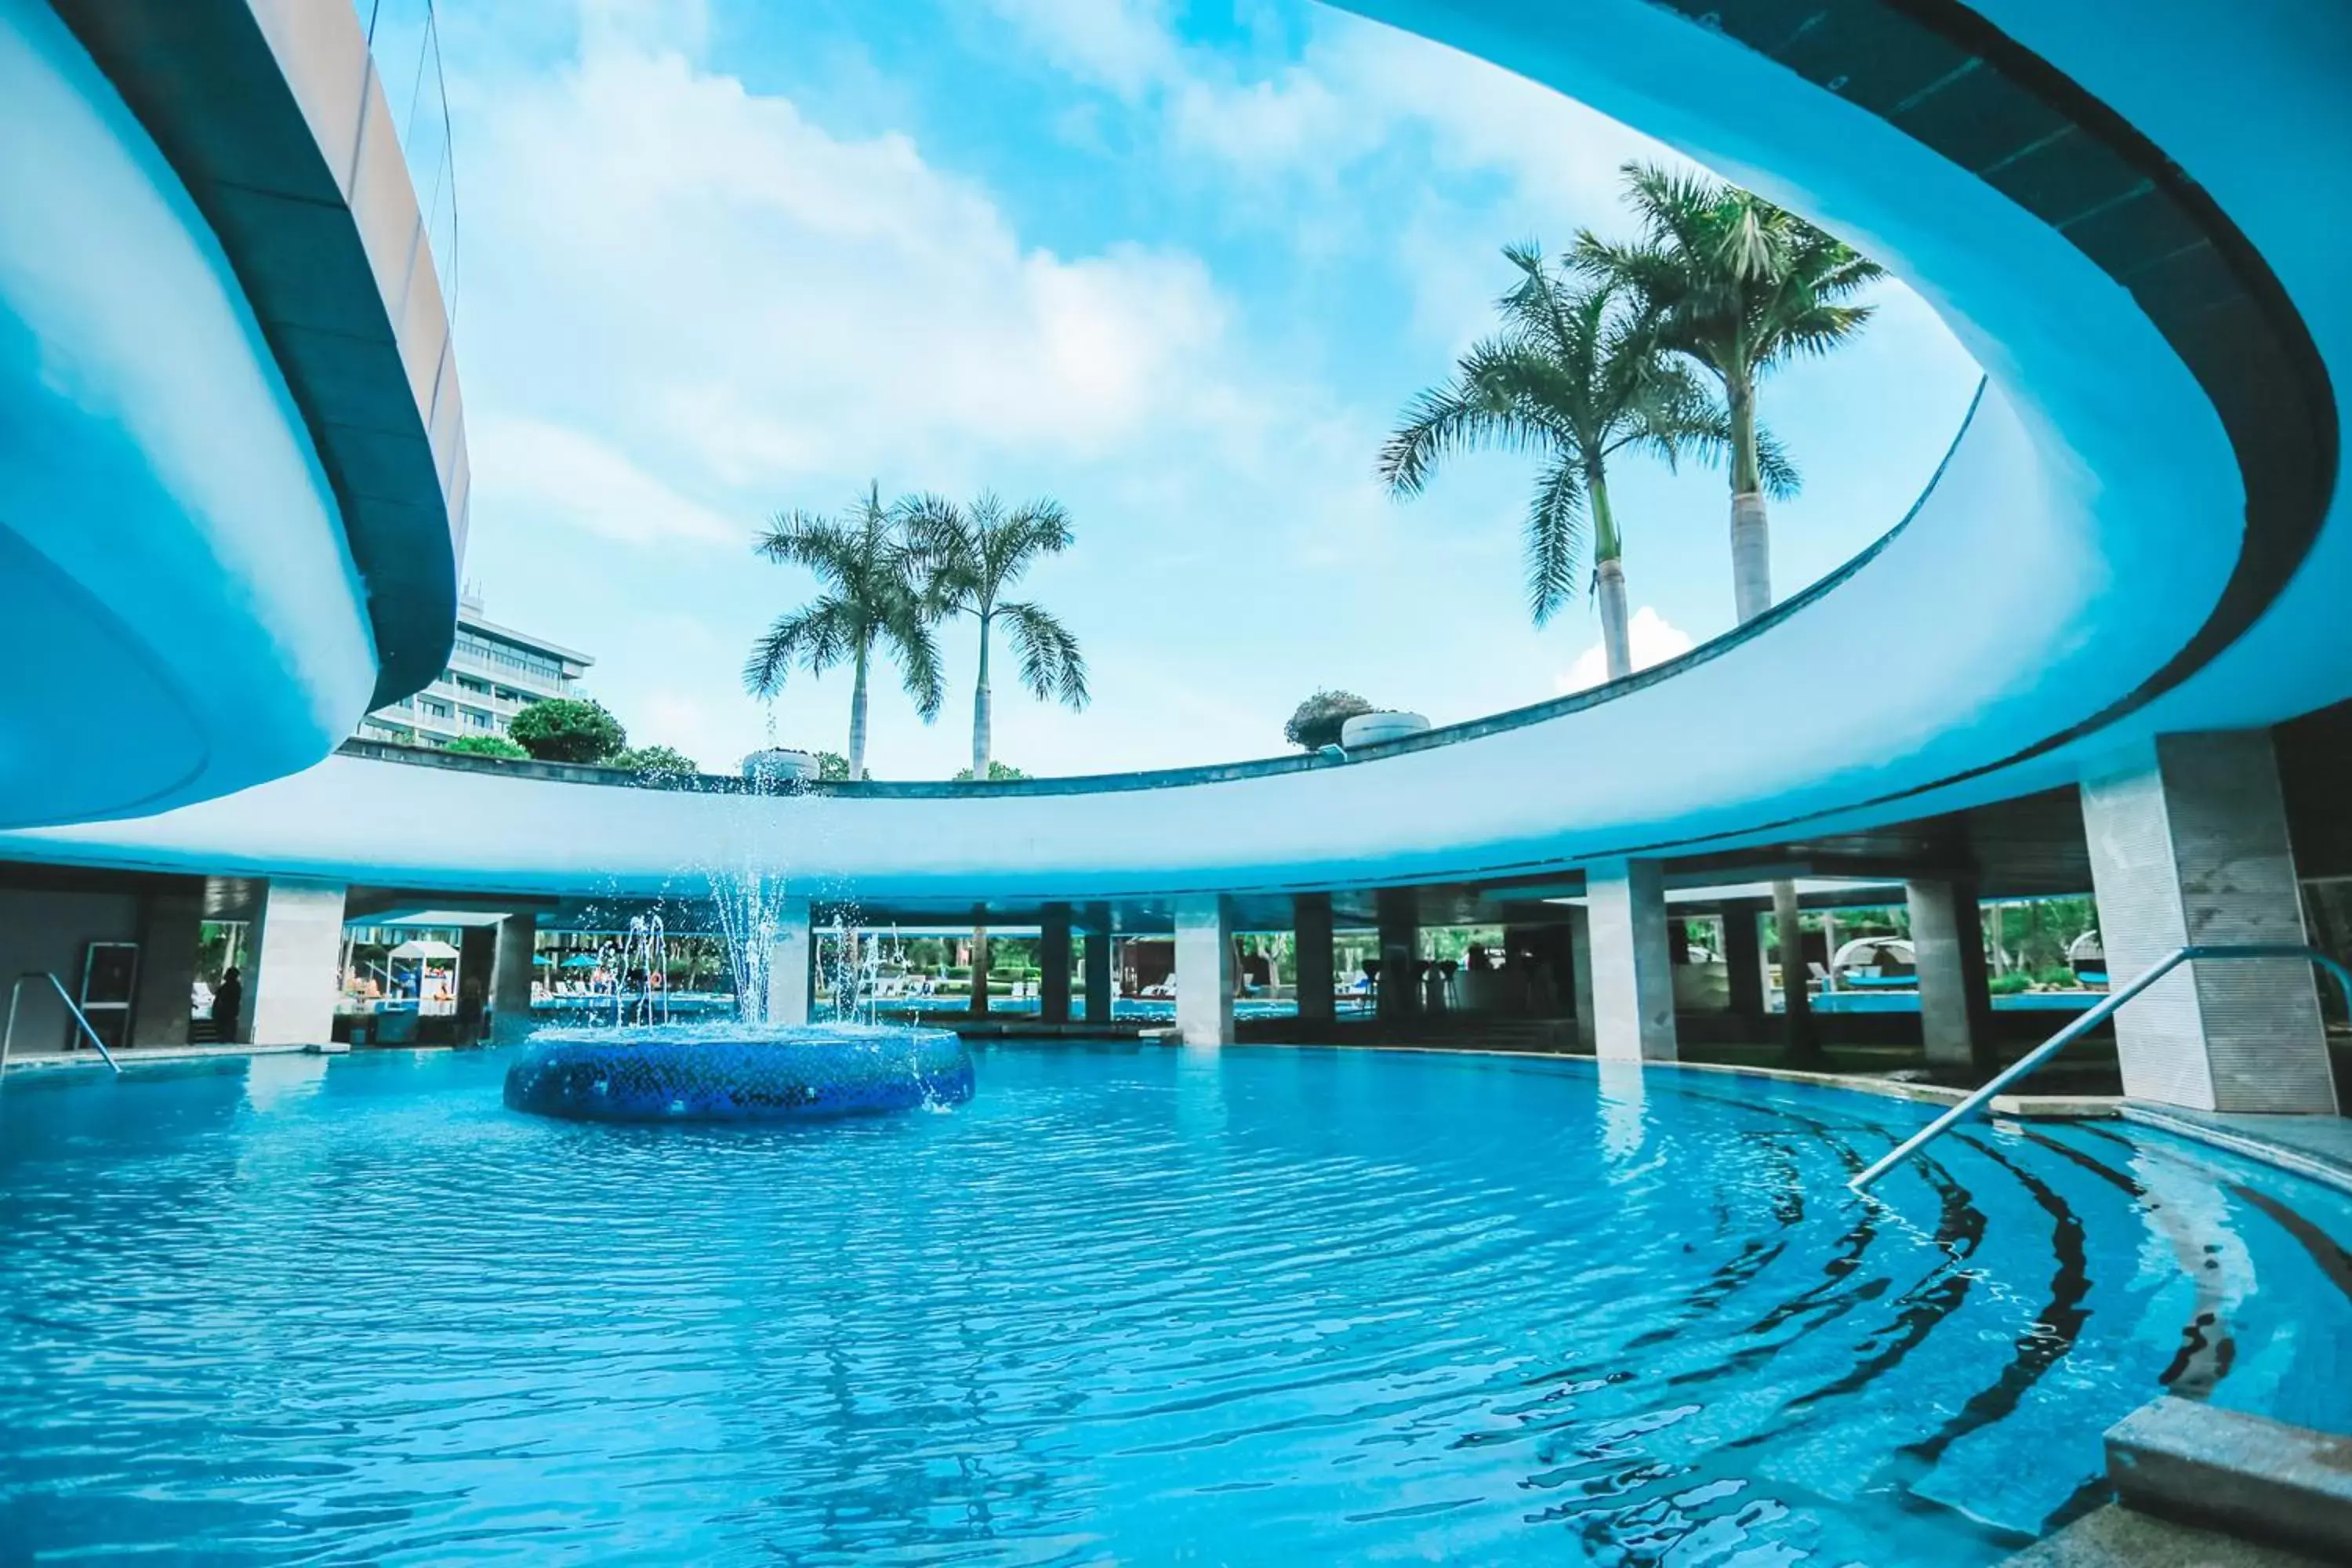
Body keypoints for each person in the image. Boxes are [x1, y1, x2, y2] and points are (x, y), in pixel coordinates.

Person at [212, 967, 245, 1044]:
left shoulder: (231, 987)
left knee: (224, 1027)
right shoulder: (233, 986)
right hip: (227, 1011)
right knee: (225, 1027)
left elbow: (221, 997)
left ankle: (225, 1038)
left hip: (225, 1011)